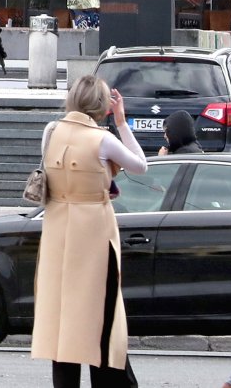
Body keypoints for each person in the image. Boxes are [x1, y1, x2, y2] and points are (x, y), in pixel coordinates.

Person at [31, 75, 148, 388]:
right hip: (95, 233)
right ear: (102, 107)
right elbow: (140, 165)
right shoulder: (103, 139)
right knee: (102, 317)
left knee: (61, 320)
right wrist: (122, 122)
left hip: (57, 229)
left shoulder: (51, 131)